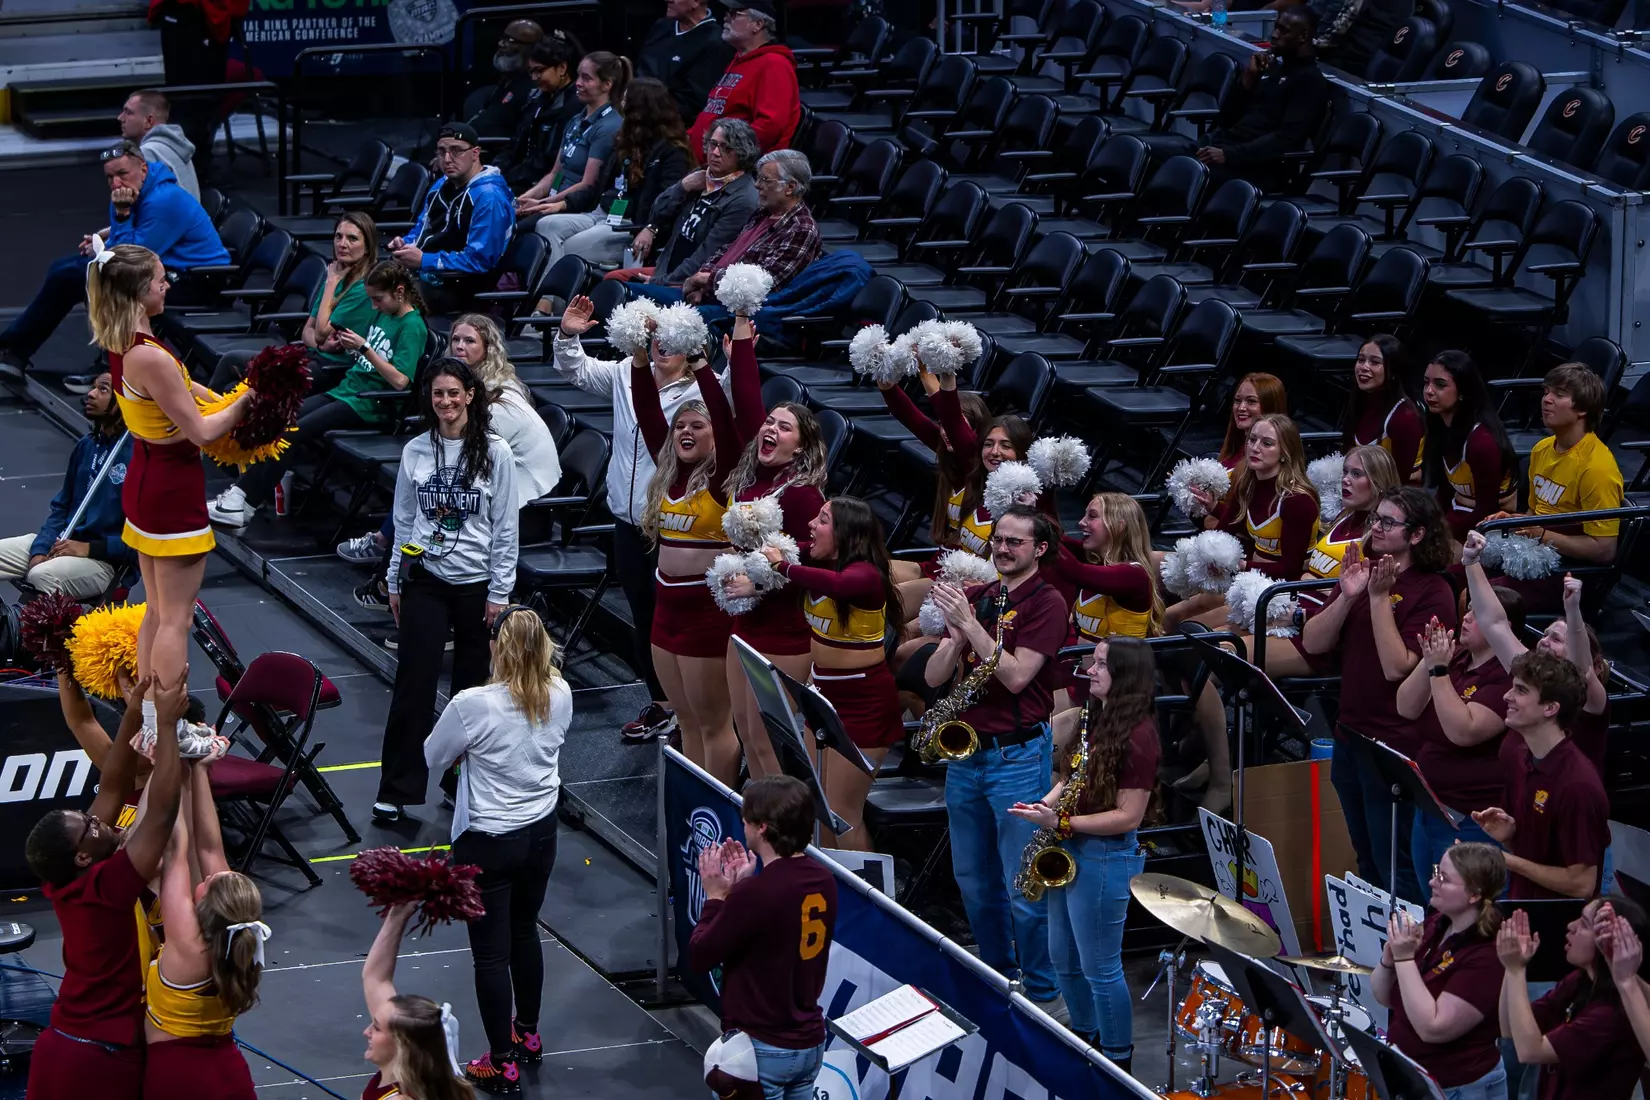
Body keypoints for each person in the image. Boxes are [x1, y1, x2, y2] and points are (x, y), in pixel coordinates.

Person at [554, 293, 726, 742]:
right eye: (654, 337)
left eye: (671, 338)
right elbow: (573, 369)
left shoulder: (702, 390)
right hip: (627, 521)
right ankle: (663, 704)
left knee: (676, 620)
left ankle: (696, 709)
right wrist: (568, 335)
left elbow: (732, 403)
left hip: (677, 525)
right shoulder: (624, 376)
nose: (659, 345)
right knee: (643, 616)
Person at [96, 245, 250, 736]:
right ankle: (168, 726)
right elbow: (203, 433)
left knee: (159, 612)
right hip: (171, 487)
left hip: (146, 483)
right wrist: (248, 401)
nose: (168, 285)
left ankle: (147, 718)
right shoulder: (149, 355)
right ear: (140, 291)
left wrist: (225, 395)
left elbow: (187, 394)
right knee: (176, 619)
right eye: (161, 279)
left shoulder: (123, 341)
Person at [925, 504, 1071, 1019]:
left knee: (1022, 887)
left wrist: (974, 628)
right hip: (966, 758)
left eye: (1015, 542)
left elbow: (1015, 677)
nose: (1002, 549)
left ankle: (1044, 993)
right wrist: (957, 635)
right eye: (998, 540)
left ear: (1039, 549)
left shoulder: (1048, 604)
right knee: (973, 881)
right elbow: (934, 676)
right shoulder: (982, 597)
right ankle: (997, 976)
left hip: (1017, 755)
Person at [23, 667, 189, 1100]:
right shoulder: (106, 888)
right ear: (82, 855)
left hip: (61, 1044)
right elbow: (162, 811)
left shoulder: (75, 878)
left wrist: (133, 711)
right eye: (91, 827)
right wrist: (167, 729)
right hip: (98, 1058)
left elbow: (112, 783)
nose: (101, 821)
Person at [424, 607, 570, 1095]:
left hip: (488, 840)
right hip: (541, 834)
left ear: (496, 646)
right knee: (525, 933)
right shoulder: (561, 693)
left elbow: (432, 755)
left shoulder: (474, 704)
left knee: (490, 955)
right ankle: (527, 1036)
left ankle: (501, 1063)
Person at [376, 357, 518, 823]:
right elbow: (402, 521)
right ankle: (396, 789)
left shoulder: (495, 452)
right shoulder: (416, 450)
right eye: (438, 394)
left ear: (470, 396)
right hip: (425, 581)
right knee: (412, 686)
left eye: (454, 393)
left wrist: (500, 592)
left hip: (478, 588)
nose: (446, 402)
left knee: (472, 694)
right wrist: (396, 576)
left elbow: (506, 528)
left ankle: (462, 785)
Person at [1010, 636, 1159, 1069]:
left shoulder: (1140, 736)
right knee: (1064, 960)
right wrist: (1046, 804)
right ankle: (1086, 1040)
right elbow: (1074, 773)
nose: (1090, 671)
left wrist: (1061, 823)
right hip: (1072, 845)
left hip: (1105, 856)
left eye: (1101, 664)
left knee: (1100, 969)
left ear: (1126, 676)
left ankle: (1117, 1061)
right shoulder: (1100, 717)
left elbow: (1129, 816)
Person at [1304, 486, 1456, 903]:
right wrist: (1346, 597)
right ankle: (1377, 962)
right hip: (1350, 733)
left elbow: (1399, 666)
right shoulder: (1363, 572)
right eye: (1376, 519)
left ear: (1418, 535)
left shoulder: (1433, 591)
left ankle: (1406, 956)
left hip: (1392, 748)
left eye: (1389, 522)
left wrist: (1377, 599)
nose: (1377, 528)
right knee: (1366, 861)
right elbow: (1314, 642)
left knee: (1396, 868)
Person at [208, 261, 429, 529]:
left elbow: (400, 381)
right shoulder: (385, 314)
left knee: (291, 433)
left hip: (371, 404)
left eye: (378, 299)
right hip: (348, 391)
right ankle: (239, 499)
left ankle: (245, 501)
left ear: (400, 292)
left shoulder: (413, 327)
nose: (374, 306)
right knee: (281, 419)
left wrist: (365, 349)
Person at [0, 143, 228, 379]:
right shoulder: (129, 193)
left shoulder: (164, 200)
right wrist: (103, 241)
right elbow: (124, 248)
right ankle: (15, 349)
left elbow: (131, 258)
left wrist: (119, 219)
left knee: (88, 278)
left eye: (122, 174)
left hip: (198, 281)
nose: (116, 183)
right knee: (65, 270)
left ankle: (107, 369)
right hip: (165, 269)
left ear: (143, 169)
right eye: (110, 177)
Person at [712, 328, 828, 781]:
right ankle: (762, 834)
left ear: (800, 445)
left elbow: (810, 565)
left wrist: (757, 581)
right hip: (744, 626)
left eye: (784, 426)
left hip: (784, 633)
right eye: (770, 422)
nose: (770, 428)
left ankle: (785, 837)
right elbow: (743, 406)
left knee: (771, 747)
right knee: (747, 736)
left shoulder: (802, 495)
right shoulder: (750, 480)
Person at [764, 496, 904, 849]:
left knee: (843, 813)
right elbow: (773, 549)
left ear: (845, 534)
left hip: (864, 705)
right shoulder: (817, 561)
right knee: (818, 807)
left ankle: (869, 900)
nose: (812, 524)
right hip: (824, 698)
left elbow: (840, 586)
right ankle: (830, 889)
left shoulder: (867, 576)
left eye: (823, 520)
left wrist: (782, 567)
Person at [688, 775, 838, 1099]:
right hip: (809, 1042)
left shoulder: (757, 893)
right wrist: (741, 887)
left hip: (761, 1048)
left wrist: (715, 898)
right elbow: (772, 930)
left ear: (762, 828)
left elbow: (700, 955)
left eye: (747, 818)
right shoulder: (824, 879)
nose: (742, 823)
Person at [634, 324, 739, 779]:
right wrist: (639, 358)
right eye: (681, 425)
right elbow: (646, 410)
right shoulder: (668, 472)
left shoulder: (721, 479)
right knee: (687, 721)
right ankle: (696, 809)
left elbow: (723, 413)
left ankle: (718, 813)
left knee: (715, 725)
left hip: (704, 617)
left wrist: (700, 363)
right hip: (666, 616)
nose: (685, 431)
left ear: (716, 436)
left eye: (698, 426)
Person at [142, 760, 266, 1098]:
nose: (210, 873)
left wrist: (165, 767)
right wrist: (197, 770)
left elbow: (174, 849)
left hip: (180, 1078)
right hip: (228, 1072)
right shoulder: (245, 933)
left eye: (211, 881)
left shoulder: (188, 943)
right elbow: (210, 848)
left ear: (211, 904)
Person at [1396, 586, 1519, 899]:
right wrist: (1428, 662)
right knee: (1432, 901)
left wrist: (1438, 670)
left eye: (1476, 615)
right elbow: (1406, 707)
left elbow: (1464, 731)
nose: (1465, 618)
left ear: (1502, 628)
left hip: (1470, 820)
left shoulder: (1508, 678)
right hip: (1431, 807)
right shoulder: (1458, 657)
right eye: (1467, 611)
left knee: (1464, 908)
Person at [1482, 363, 1623, 614]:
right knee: (1460, 572)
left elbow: (1603, 550)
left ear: (1582, 409)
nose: (1546, 399)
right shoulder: (1541, 450)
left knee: (1475, 599)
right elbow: (1536, 516)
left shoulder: (1597, 468)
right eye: (1547, 391)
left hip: (1567, 572)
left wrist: (1539, 533)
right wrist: (1514, 522)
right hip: (1534, 557)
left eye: (1558, 394)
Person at [1374, 843, 1510, 1100]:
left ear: (1474, 895)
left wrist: (1404, 959)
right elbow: (1385, 997)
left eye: (1444, 879)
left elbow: (1433, 1028)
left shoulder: (1488, 954)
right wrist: (1389, 959)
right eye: (1437, 872)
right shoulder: (1439, 922)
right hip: (1413, 1076)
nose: (1431, 881)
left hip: (1457, 1087)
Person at [1462, 542, 1611, 776]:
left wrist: (1573, 611)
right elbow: (1494, 623)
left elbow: (1581, 668)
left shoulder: (1588, 698)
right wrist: (1471, 562)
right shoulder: (1530, 671)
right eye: (1544, 635)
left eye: (1557, 639)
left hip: (1567, 804)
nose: (1544, 641)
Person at [1472, 651, 1608, 900]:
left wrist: (1507, 861)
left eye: (1521, 691)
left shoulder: (1578, 785)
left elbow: (1582, 884)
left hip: (1558, 929)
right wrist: (1511, 838)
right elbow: (1541, 855)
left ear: (1550, 708)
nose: (1507, 696)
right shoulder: (1521, 758)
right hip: (1522, 910)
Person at [1168, 413, 1321, 627]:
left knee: (1193, 628)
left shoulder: (1297, 501)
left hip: (1278, 592)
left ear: (1285, 453)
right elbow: (1225, 530)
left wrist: (1240, 565)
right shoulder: (1249, 485)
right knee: (1171, 615)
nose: (1255, 447)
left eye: (1267, 443)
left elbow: (1291, 570)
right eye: (1252, 439)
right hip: (1248, 578)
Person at [1158, 7, 1328, 191]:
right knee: (1154, 156)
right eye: (1275, 27)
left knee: (1180, 173)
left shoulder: (1310, 81)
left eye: (1283, 30)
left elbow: (1285, 139)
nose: (1274, 35)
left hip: (1255, 167)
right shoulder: (1273, 70)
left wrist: (1229, 155)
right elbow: (1227, 120)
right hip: (1221, 147)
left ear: (1303, 36)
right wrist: (1248, 80)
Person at [1498, 897, 1650, 1100]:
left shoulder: (1610, 1014)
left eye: (1584, 924)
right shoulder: (1579, 980)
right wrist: (1511, 968)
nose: (1571, 926)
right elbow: (1509, 1030)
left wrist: (1516, 970)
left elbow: (1529, 1051)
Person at [0, 371, 134, 599]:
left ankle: (32, 633)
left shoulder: (140, 459)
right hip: (62, 542)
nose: (90, 394)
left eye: (102, 389)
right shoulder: (86, 445)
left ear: (123, 401)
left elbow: (143, 544)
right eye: (93, 387)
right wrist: (40, 550)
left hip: (105, 563)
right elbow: (61, 508)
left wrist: (88, 548)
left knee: (42, 575)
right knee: (33, 564)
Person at [631, 148, 821, 307]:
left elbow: (762, 284)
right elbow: (725, 251)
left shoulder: (801, 230)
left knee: (628, 296)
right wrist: (699, 282)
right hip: (702, 293)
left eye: (765, 180)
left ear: (790, 187)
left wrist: (706, 282)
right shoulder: (763, 213)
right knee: (620, 289)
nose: (757, 185)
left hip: (731, 313)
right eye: (758, 178)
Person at [537, 79, 692, 269]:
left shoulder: (672, 151)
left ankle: (552, 298)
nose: (622, 106)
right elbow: (597, 186)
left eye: (626, 102)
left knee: (570, 247)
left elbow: (669, 201)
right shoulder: (623, 140)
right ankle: (547, 296)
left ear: (641, 110)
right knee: (546, 225)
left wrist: (651, 228)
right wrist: (564, 203)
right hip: (600, 212)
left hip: (629, 225)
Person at [617, 119, 761, 289]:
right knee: (611, 281)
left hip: (688, 284)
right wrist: (682, 186)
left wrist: (660, 283)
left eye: (726, 148)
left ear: (742, 153)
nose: (714, 152)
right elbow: (657, 210)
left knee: (618, 290)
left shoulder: (743, 199)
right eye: (713, 144)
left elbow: (706, 255)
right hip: (665, 269)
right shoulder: (699, 177)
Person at [390, 123, 515, 315]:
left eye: (456, 151)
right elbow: (422, 229)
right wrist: (405, 244)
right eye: (442, 151)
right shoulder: (441, 185)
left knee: (386, 297)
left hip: (463, 289)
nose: (447, 159)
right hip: (430, 276)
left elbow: (479, 261)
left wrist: (424, 260)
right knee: (366, 281)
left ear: (475, 153)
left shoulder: (489, 198)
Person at [361, 902, 478, 1100]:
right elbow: (376, 978)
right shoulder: (428, 1048)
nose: (366, 1032)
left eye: (377, 1027)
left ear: (403, 1045)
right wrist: (398, 914)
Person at [516, 53, 629, 237]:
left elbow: (587, 184)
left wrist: (542, 204)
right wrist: (524, 199)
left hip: (574, 206)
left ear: (606, 85)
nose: (578, 83)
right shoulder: (576, 120)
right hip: (551, 200)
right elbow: (555, 173)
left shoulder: (609, 126)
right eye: (579, 76)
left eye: (587, 78)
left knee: (515, 232)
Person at [1422, 350, 1518, 544]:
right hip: (1457, 514)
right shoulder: (1439, 426)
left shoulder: (1482, 442)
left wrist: (1440, 532)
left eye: (1440, 385)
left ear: (1463, 391)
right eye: (1426, 382)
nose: (1429, 391)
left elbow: (1487, 512)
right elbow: (1445, 490)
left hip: (1489, 529)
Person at [686, 0, 800, 158]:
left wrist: (726, 154)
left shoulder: (774, 64)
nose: (726, 18)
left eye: (734, 14)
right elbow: (713, 111)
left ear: (757, 25)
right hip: (706, 161)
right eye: (727, 13)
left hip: (737, 168)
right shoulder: (739, 60)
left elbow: (770, 126)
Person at [496, 34, 584, 197]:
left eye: (539, 71)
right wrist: (496, 170)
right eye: (531, 72)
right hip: (522, 177)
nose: (535, 78)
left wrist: (508, 178)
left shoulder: (575, 105)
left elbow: (550, 160)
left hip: (548, 183)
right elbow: (516, 144)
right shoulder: (536, 101)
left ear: (562, 68)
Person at [637, 0, 735, 125]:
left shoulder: (715, 42)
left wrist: (648, 113)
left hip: (671, 127)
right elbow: (641, 70)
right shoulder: (661, 27)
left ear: (696, 2)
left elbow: (693, 101)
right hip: (637, 114)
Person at [1344, 335, 1424, 483]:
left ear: (1393, 372)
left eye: (1374, 362)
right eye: (1361, 360)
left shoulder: (1405, 418)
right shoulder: (1360, 402)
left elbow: (1400, 481)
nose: (1364, 367)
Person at [465, 19, 545, 138]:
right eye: (503, 38)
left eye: (511, 41)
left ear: (531, 48)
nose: (501, 44)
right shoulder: (507, 79)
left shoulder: (533, 87)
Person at [117, 89, 198, 199]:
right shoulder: (175, 146)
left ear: (149, 121)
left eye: (129, 113)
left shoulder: (147, 151)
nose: (120, 118)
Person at [1217, 373, 1289, 471]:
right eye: (1237, 400)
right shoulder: (1236, 445)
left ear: (1270, 406)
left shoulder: (1265, 458)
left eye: (1251, 401)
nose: (1241, 408)